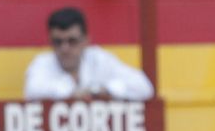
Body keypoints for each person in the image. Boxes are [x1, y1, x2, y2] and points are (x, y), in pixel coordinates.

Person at [24, 6, 155, 101]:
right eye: (58, 42)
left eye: (72, 41)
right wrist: (72, 91)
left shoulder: (100, 59)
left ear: (86, 41)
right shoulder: (42, 62)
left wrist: (102, 90)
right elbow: (32, 90)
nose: (65, 48)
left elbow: (144, 87)